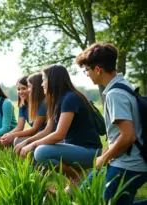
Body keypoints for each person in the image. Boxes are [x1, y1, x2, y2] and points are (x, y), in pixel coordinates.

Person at [76, 42, 147, 204]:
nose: (87, 74)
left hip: (129, 164)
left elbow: (128, 135)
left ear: (98, 69)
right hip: (128, 159)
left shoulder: (115, 94)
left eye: (87, 70)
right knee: (93, 191)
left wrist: (105, 157)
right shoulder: (124, 85)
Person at [14, 65, 102, 189]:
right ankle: (75, 179)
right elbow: (47, 130)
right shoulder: (58, 100)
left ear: (53, 80)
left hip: (89, 151)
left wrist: (33, 144)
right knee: (70, 196)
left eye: (44, 80)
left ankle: (78, 175)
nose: (42, 84)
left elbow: (59, 134)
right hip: (74, 148)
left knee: (41, 152)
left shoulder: (70, 98)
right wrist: (27, 141)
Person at [0, 73, 47, 147]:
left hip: (43, 135)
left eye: (24, 88)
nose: (20, 92)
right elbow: (19, 127)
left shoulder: (41, 104)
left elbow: (34, 129)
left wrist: (13, 135)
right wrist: (8, 134)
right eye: (18, 89)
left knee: (17, 140)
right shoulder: (23, 105)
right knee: (11, 139)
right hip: (35, 135)